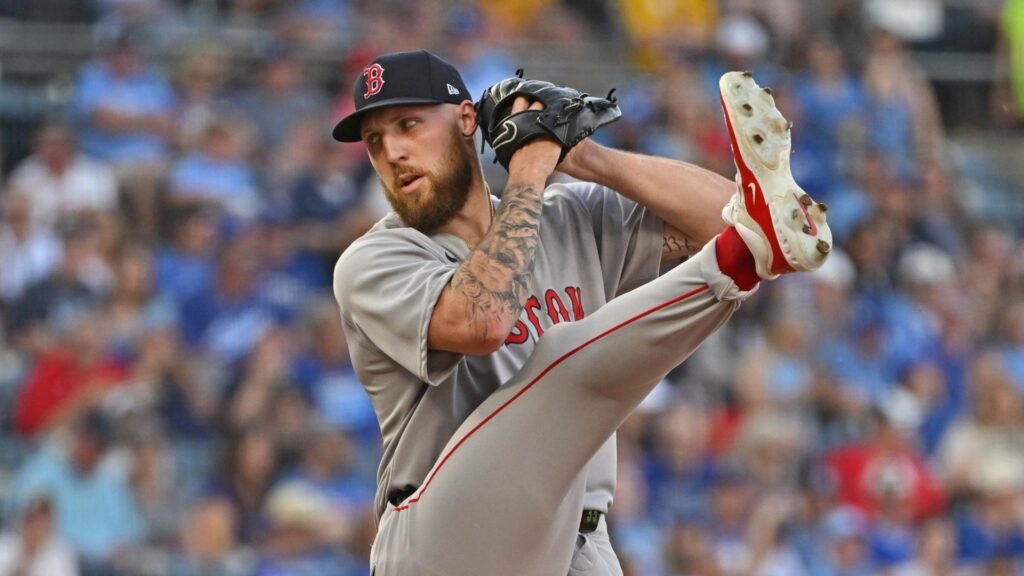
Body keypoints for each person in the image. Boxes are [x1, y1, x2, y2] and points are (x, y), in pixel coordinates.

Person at [330, 50, 831, 575]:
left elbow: (737, 218)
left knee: (748, 241)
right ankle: (728, 271)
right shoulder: (375, 259)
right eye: (375, 141)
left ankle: (733, 267)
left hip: (579, 544)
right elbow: (484, 323)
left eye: (408, 125)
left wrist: (581, 154)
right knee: (561, 359)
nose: (393, 152)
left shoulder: (568, 215)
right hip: (448, 530)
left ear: (465, 121)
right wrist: (529, 168)